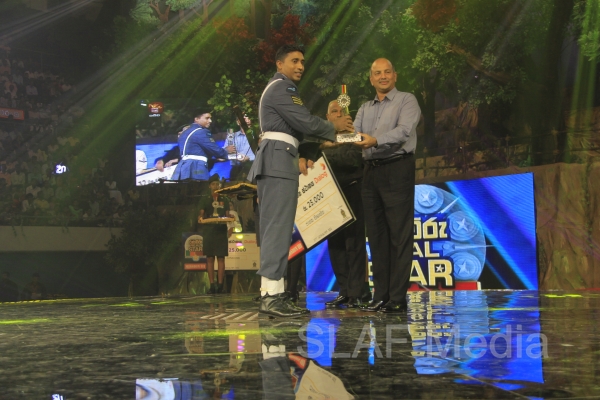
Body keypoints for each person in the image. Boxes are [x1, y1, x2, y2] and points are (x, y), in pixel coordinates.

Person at [247, 44, 354, 318]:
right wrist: (334, 127)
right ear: (279, 64)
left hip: (278, 159)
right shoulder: (283, 88)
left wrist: (320, 142)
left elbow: (297, 129)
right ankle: (272, 297)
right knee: (278, 229)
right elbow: (304, 122)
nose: (300, 66)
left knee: (277, 229)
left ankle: (272, 292)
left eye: (302, 62)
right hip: (278, 160)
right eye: (294, 61)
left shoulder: (277, 88)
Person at [353, 58, 421, 313]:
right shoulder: (364, 108)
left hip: (397, 167)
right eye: (377, 73)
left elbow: (404, 131)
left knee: (399, 235)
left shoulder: (407, 100)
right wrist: (337, 136)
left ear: (395, 75)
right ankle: (380, 295)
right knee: (376, 236)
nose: (383, 76)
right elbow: (354, 134)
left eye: (387, 72)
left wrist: (375, 140)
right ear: (371, 79)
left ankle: (397, 298)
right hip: (370, 171)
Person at [171, 111, 236, 182]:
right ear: (196, 119)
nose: (210, 121)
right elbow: (214, 149)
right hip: (196, 168)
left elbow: (197, 150)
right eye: (207, 118)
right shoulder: (201, 132)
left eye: (210, 118)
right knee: (200, 188)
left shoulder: (185, 132)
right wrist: (226, 150)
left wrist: (215, 157)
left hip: (182, 168)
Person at [198, 174, 232, 294]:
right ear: (209, 186)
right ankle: (212, 285)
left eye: (217, 184)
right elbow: (201, 213)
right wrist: (200, 217)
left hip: (221, 230)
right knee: (210, 258)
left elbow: (228, 215)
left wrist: (230, 223)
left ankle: (220, 285)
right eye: (213, 184)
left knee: (221, 258)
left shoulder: (225, 199)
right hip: (209, 231)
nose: (215, 186)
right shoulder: (205, 199)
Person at [224, 114, 256, 181]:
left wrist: (249, 158)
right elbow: (225, 154)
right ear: (238, 122)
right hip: (236, 170)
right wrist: (237, 156)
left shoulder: (256, 135)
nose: (247, 119)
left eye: (248, 117)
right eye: (244, 117)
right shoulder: (231, 135)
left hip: (253, 168)